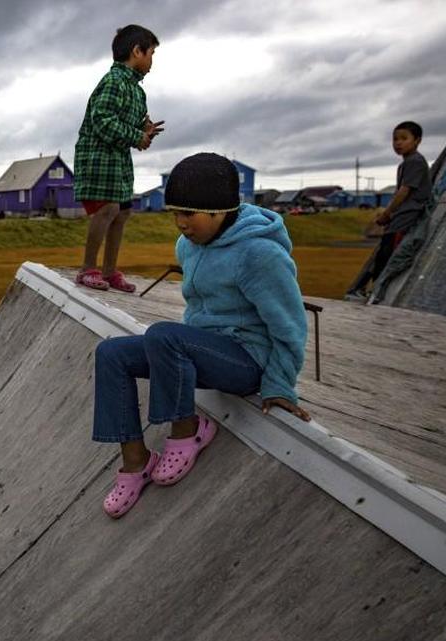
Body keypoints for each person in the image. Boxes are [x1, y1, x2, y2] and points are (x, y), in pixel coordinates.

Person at [90, 153, 310, 518]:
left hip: (247, 361)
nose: (180, 224)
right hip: (200, 351)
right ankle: (135, 461)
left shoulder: (259, 254)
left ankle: (187, 430)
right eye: (174, 212)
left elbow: (289, 324)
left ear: (220, 211)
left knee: (164, 335)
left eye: (188, 214)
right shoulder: (188, 246)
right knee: (111, 353)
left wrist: (280, 384)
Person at [73, 24, 164, 293]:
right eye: (151, 54)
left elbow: (136, 126)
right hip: (98, 157)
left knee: (123, 211)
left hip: (118, 158)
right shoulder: (113, 81)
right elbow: (102, 119)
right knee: (107, 209)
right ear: (137, 51)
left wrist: (145, 132)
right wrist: (137, 137)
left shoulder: (137, 91)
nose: (152, 62)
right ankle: (87, 269)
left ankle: (110, 271)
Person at [346, 121, 432, 301]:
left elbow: (404, 191)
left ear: (417, 141)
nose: (398, 143)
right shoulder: (406, 163)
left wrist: (387, 213)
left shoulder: (415, 161)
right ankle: (373, 289)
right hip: (400, 216)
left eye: (404, 138)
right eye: (395, 139)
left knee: (389, 254)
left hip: (408, 216)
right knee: (384, 252)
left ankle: (377, 292)